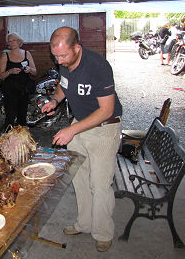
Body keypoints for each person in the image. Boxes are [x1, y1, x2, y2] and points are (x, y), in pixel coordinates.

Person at [41, 27, 122, 252]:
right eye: (55, 56)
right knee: (79, 178)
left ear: (77, 47)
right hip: (79, 127)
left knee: (100, 184)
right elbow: (63, 86)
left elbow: (107, 110)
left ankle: (103, 232)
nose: (59, 60)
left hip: (104, 129)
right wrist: (55, 101)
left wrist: (72, 129)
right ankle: (84, 223)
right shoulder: (64, 62)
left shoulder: (98, 67)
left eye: (63, 56)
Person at [0, 32, 37, 129]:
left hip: (24, 90)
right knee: (10, 116)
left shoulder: (26, 54)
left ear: (19, 41)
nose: (12, 43)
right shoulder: (5, 56)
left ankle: (22, 140)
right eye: (10, 41)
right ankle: (7, 138)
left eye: (14, 40)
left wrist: (29, 69)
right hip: (10, 91)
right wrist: (10, 71)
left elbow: (35, 72)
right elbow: (1, 76)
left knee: (22, 116)